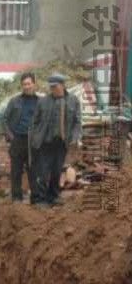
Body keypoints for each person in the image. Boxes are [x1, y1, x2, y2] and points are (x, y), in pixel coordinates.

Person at [30, 74, 82, 208]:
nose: (53, 89)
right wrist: (36, 138)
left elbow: (77, 122)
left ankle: (53, 196)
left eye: (55, 86)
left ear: (63, 85)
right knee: (43, 172)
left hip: (62, 143)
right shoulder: (43, 101)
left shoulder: (73, 101)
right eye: (51, 87)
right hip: (46, 143)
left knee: (56, 171)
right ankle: (41, 199)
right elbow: (35, 122)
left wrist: (75, 138)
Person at [3, 72, 40, 203]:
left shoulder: (40, 102)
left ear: (34, 84)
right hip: (17, 139)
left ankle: (36, 198)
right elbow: (5, 119)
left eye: (29, 83)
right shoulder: (15, 101)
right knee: (16, 171)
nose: (26, 86)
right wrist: (10, 137)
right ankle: (17, 199)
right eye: (24, 84)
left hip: (33, 141)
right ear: (21, 86)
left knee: (34, 170)